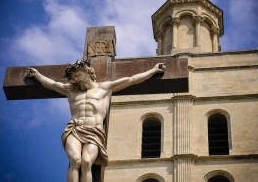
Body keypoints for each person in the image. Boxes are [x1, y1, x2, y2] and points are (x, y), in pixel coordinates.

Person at [28, 59, 165, 182]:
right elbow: (52, 84)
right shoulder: (70, 90)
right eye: (73, 77)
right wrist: (37, 75)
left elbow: (131, 80)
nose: (76, 79)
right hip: (74, 129)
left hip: (95, 132)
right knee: (75, 160)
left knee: (87, 162)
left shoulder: (104, 87)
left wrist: (153, 71)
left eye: (78, 75)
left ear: (87, 72)